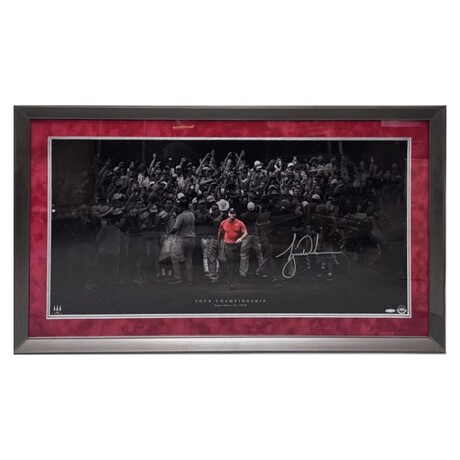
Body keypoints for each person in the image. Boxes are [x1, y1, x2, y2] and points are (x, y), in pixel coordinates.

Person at [218, 208, 247, 289]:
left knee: (236, 262)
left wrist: (240, 238)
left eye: (233, 213)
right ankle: (231, 282)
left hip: (236, 245)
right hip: (228, 245)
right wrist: (219, 244)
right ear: (228, 214)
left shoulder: (239, 223)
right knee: (230, 263)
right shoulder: (223, 223)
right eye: (231, 213)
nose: (232, 214)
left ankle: (234, 278)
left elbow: (245, 232)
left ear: (235, 214)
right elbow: (220, 233)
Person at [168, 200, 196, 286]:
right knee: (189, 259)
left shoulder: (181, 216)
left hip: (182, 238)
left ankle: (178, 277)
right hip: (192, 238)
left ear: (182, 207)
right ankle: (189, 279)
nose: (178, 208)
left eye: (179, 207)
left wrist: (168, 234)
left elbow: (176, 228)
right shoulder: (192, 214)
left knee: (175, 258)